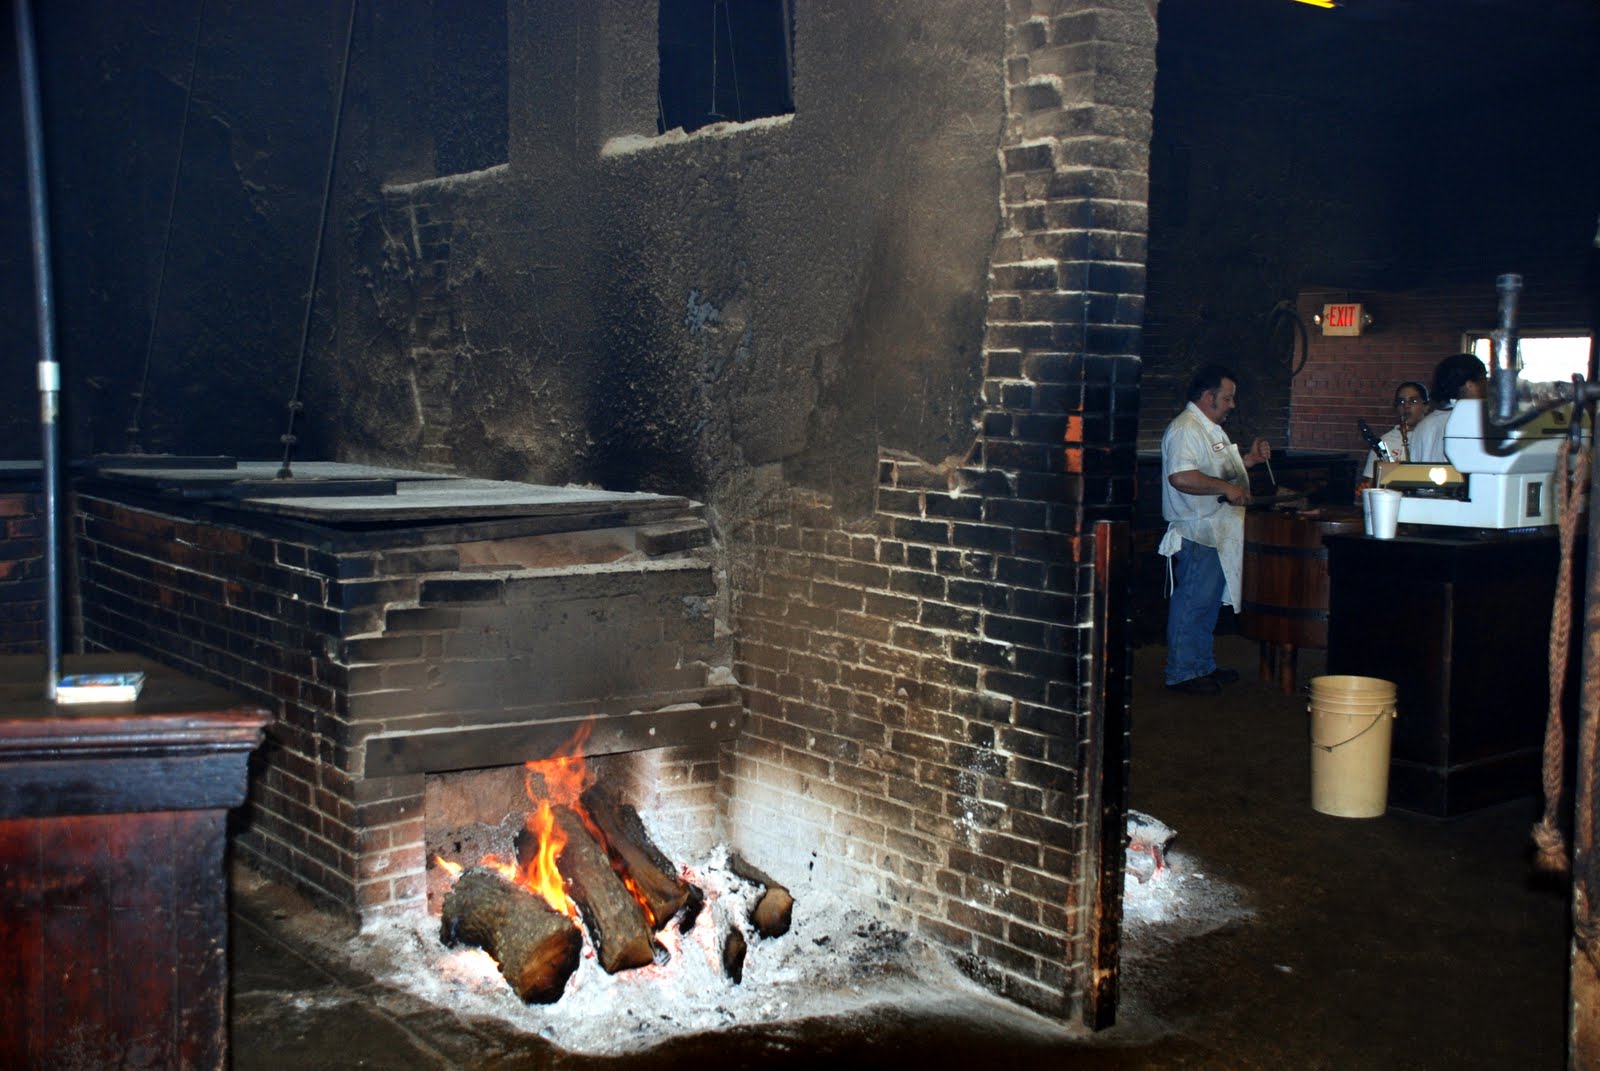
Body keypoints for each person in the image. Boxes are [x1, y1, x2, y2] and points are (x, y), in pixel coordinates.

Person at [1158, 364, 1272, 695]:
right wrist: (1226, 487)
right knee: (1193, 601)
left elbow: (1215, 468)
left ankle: (1200, 665)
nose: (1232, 405)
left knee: (1205, 604)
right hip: (1198, 531)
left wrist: (1248, 461)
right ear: (1208, 397)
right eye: (1228, 398)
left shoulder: (1207, 428)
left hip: (1216, 531)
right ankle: (1182, 672)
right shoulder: (1186, 429)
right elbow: (1181, 477)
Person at [1408, 353, 1488, 464]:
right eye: (1483, 379)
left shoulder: (1425, 425)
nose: (1486, 385)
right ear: (1469, 385)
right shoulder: (1473, 421)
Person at [1361, 380, 1430, 480]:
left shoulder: (1433, 437)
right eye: (1401, 402)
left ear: (1426, 406)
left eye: (1413, 401)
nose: (1406, 406)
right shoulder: (1384, 442)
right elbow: (1371, 482)